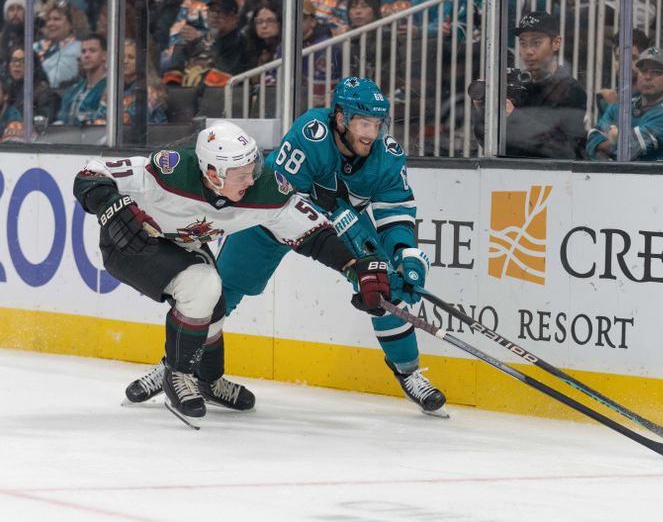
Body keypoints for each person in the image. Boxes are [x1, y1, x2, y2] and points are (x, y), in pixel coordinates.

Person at [126, 77, 448, 418]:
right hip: (267, 219)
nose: (370, 133)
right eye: (362, 123)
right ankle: (174, 368)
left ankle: (409, 373)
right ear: (340, 118)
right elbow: (283, 200)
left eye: (375, 124)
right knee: (220, 291)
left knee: (384, 283)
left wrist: (403, 252)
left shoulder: (387, 155)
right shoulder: (311, 133)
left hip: (332, 228)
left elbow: (395, 211)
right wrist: (343, 225)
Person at [73, 120, 391, 424]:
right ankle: (178, 375)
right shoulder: (169, 170)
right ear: (212, 172)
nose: (250, 181)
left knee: (215, 302)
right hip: (131, 243)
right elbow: (91, 174)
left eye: (251, 169)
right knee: (204, 285)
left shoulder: (265, 190)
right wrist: (110, 206)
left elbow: (314, 233)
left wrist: (355, 268)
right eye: (240, 175)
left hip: (183, 246)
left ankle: (208, 380)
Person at [470, 11, 587, 159]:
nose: (528, 51)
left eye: (536, 43)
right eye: (523, 43)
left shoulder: (571, 90)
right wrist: (483, 113)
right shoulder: (518, 84)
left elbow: (565, 148)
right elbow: (493, 144)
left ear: (556, 43)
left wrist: (514, 116)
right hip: (513, 175)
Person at [586, 47, 663, 161]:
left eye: (656, 72)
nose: (648, 77)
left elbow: (631, 148)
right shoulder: (619, 107)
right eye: (643, 71)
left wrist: (614, 137)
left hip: (656, 178)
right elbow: (592, 138)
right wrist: (619, 139)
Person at [54, 33, 107, 126]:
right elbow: (62, 118)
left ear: (104, 55)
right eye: (83, 51)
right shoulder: (74, 89)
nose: (86, 55)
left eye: (92, 51)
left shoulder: (109, 87)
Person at [33, 0, 88, 88]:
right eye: (49, 19)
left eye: (56, 19)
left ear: (71, 24)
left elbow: (54, 81)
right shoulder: (39, 45)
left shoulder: (77, 48)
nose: (50, 24)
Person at [4, 45, 61, 122]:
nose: (17, 64)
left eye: (23, 61)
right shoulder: (7, 88)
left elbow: (44, 121)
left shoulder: (42, 91)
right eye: (14, 60)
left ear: (33, 66)